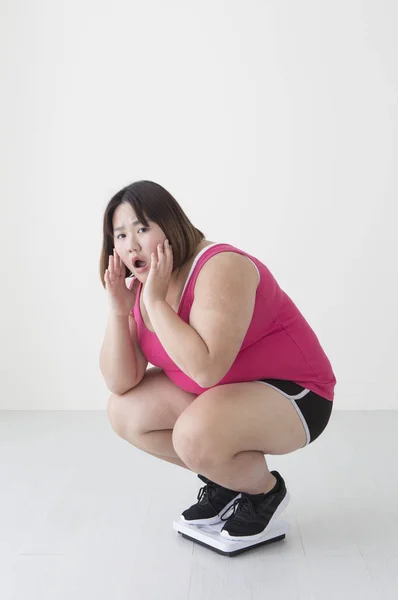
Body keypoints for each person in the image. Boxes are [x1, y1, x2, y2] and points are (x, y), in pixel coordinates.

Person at [99, 180, 336, 541]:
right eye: (120, 235)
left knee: (193, 436)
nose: (131, 244)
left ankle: (263, 492)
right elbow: (121, 381)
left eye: (142, 228)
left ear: (170, 224)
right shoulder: (143, 289)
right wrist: (119, 312)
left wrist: (156, 304)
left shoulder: (219, 266)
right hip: (225, 398)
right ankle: (228, 483)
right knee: (124, 410)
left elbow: (206, 369)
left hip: (297, 396)